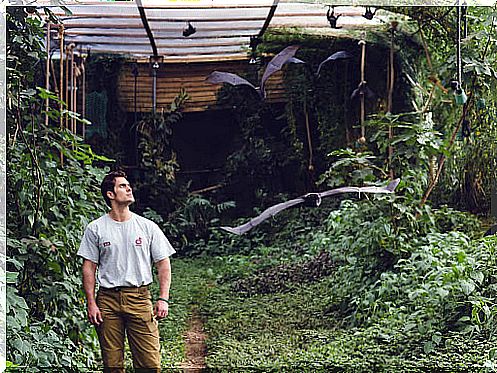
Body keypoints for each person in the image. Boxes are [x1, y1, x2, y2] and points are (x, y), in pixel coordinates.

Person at [77, 170, 175, 373]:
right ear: (110, 194)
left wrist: (163, 298)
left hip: (139, 298)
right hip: (107, 301)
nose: (129, 188)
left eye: (128, 185)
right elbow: (89, 268)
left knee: (149, 364)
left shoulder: (147, 226)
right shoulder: (96, 228)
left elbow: (163, 263)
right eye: (122, 186)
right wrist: (91, 303)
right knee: (112, 365)